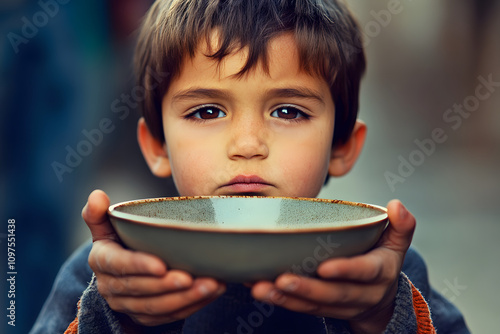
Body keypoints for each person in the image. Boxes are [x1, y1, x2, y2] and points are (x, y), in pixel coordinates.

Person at [31, 0, 470, 333]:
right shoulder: (110, 273)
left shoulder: (379, 272)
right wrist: (117, 316)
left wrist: (377, 317)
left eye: (288, 112)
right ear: (156, 145)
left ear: (342, 145)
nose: (247, 145)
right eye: (206, 111)